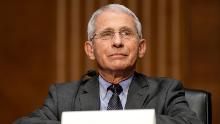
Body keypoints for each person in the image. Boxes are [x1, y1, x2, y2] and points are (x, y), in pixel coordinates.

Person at [14, 4, 203, 124]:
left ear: (141, 47)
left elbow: (190, 122)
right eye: (106, 34)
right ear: (90, 49)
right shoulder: (63, 95)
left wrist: (128, 122)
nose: (117, 42)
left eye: (126, 33)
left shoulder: (166, 90)